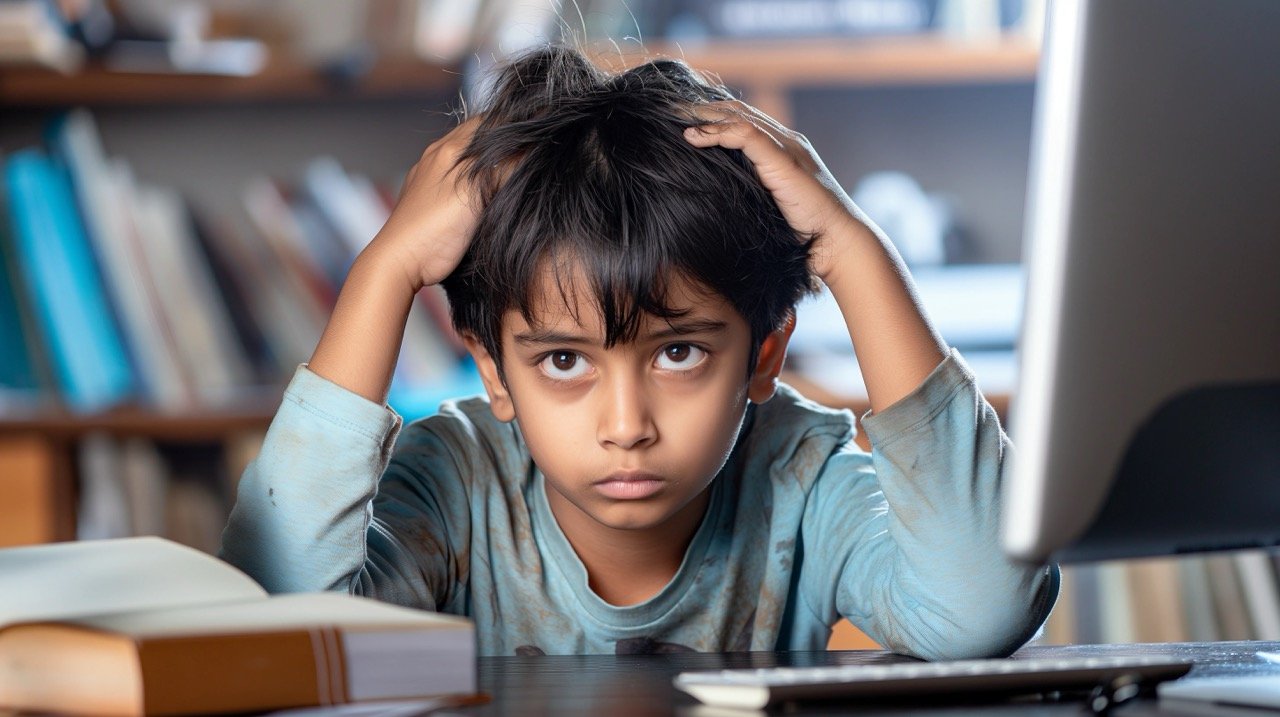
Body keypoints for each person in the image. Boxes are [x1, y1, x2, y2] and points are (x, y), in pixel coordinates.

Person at [220, 46, 1058, 658]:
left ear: (765, 356)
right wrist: (387, 267)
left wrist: (850, 246)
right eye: (562, 361)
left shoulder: (798, 478)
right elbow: (276, 622)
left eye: (681, 353)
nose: (627, 425)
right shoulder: (458, 485)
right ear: (492, 371)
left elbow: (983, 605)